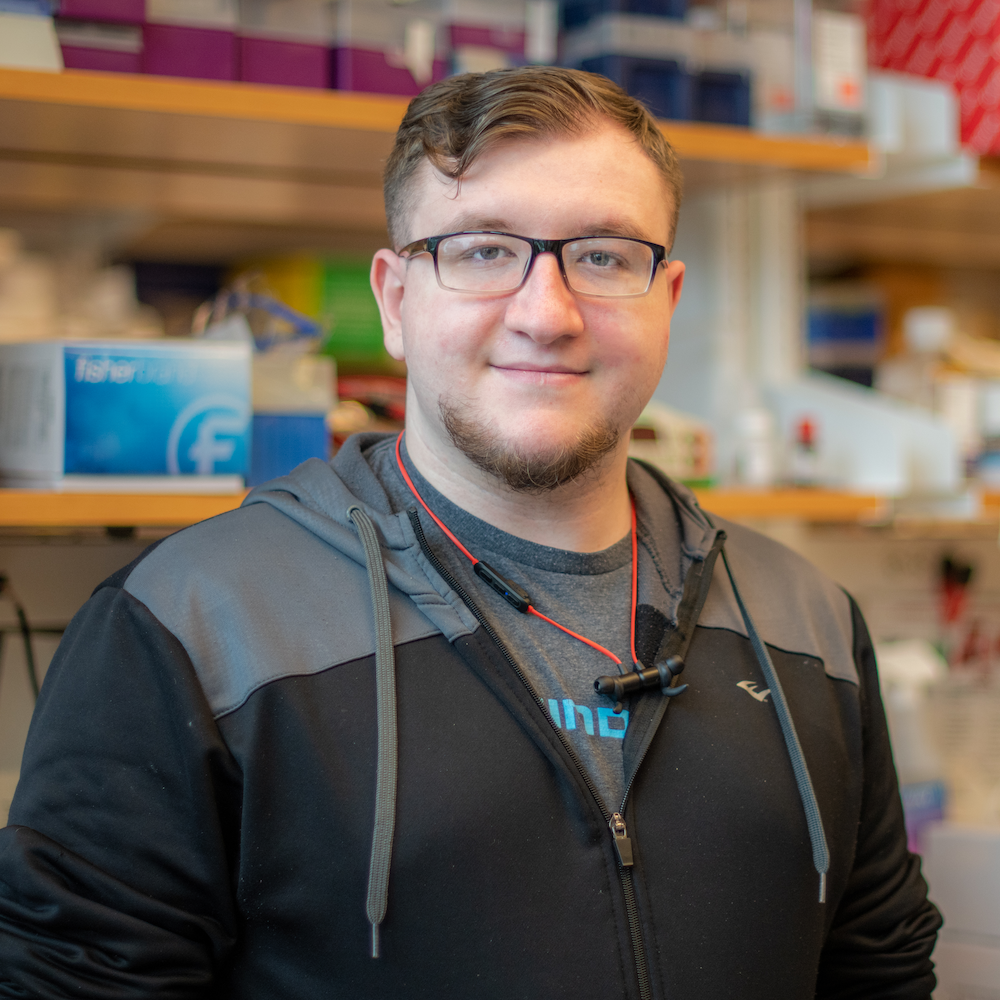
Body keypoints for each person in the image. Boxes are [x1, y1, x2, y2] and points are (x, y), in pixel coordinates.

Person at [0, 67, 940, 999]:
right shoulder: (189, 626)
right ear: (395, 300)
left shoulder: (807, 622)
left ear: (668, 299)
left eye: (605, 256)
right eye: (484, 251)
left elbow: (879, 972)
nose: (546, 314)